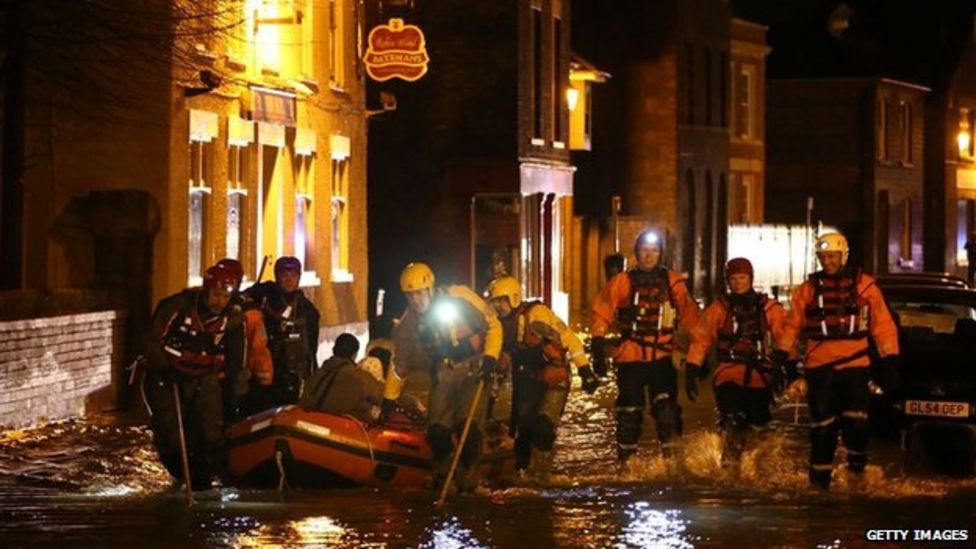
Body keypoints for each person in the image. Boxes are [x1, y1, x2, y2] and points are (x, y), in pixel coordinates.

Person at [781, 232, 900, 490]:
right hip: (820, 369)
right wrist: (785, 360)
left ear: (843, 256)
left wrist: (890, 359)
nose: (828, 262)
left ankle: (857, 470)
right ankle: (819, 487)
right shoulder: (807, 291)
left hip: (855, 366)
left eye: (832, 256)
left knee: (857, 424)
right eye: (824, 257)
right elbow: (791, 327)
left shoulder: (865, 287)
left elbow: (883, 326)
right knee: (823, 429)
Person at [381, 262, 503, 492]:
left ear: (429, 289)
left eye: (419, 293)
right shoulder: (409, 324)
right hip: (443, 373)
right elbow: (400, 365)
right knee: (437, 431)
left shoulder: (460, 297)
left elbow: (493, 326)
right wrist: (389, 398)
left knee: (468, 428)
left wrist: (490, 358)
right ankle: (445, 475)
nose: (416, 301)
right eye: (410, 296)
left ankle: (469, 482)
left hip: (474, 369)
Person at [591, 229, 700, 462]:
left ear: (660, 254)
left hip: (663, 354)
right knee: (629, 413)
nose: (649, 255)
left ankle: (672, 463)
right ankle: (627, 464)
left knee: (666, 410)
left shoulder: (673, 282)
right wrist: (598, 343)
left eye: (654, 251)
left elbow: (691, 318)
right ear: (637, 253)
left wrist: (696, 358)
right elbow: (603, 311)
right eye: (644, 250)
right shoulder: (622, 281)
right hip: (631, 354)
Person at [486, 275, 599, 483]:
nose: (498, 306)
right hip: (527, 381)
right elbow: (500, 367)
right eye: (495, 302)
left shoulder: (537, 316)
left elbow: (568, 338)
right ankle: (524, 473)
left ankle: (543, 476)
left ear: (513, 298)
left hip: (553, 380)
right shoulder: (499, 328)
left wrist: (585, 370)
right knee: (524, 433)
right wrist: (490, 397)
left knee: (543, 427)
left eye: (501, 301)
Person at [144, 263, 244, 489]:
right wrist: (163, 368)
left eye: (226, 296)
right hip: (170, 376)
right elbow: (152, 341)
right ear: (207, 290)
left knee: (211, 431)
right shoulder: (177, 307)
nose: (220, 301)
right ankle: (179, 470)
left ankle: (202, 478)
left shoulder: (233, 319)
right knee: (170, 431)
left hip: (205, 377)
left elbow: (235, 359)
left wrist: (232, 396)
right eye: (216, 295)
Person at [684, 258, 792, 462]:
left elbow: (785, 338)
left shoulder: (769, 308)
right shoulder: (718, 309)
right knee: (734, 420)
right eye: (733, 279)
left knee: (758, 427)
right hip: (728, 375)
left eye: (742, 278)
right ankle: (730, 468)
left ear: (750, 279)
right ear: (727, 281)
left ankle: (754, 470)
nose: (738, 283)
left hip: (759, 376)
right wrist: (692, 367)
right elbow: (701, 340)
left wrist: (788, 369)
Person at [243, 256, 321, 412]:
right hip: (266, 370)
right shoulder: (264, 295)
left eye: (293, 276)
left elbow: (311, 347)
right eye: (284, 276)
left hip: (291, 373)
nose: (289, 280)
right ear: (277, 277)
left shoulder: (308, 310)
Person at [214, 258, 273, 422]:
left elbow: (258, 347)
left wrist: (263, 376)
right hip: (216, 378)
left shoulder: (248, 312)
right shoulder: (210, 308)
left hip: (235, 379)